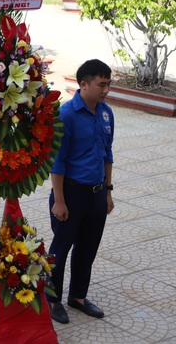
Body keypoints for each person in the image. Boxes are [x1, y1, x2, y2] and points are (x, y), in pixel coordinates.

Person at [48, 59, 115, 325]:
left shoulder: (106, 112)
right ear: (83, 84)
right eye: (101, 85)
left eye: (108, 84)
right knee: (61, 248)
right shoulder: (66, 115)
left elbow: (107, 154)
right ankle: (52, 299)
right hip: (71, 193)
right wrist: (59, 201)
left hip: (97, 193)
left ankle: (78, 297)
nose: (106, 90)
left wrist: (108, 192)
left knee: (88, 247)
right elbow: (58, 161)